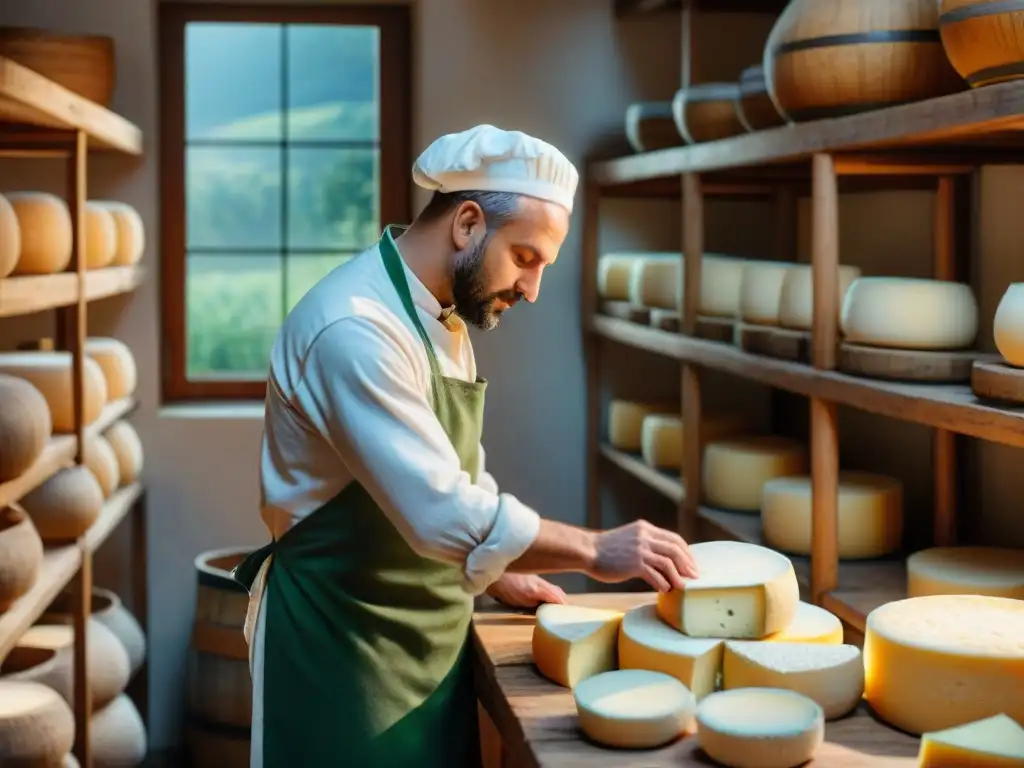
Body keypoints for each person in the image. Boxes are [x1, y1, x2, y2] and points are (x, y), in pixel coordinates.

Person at [233, 124, 699, 767]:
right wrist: (593, 549)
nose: (533, 289)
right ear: (468, 223)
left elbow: (458, 474)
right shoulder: (355, 329)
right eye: (525, 258)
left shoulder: (440, 315)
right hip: (341, 652)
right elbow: (442, 512)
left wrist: (499, 568)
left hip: (428, 640)